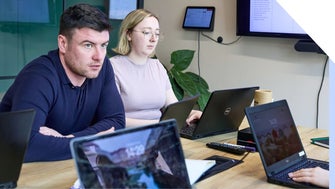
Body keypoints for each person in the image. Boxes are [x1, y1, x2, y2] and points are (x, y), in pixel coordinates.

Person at [0, 4, 125, 162]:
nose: (98, 56)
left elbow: (117, 122)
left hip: (66, 165)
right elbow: (25, 145)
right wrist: (90, 142)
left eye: (103, 45)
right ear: (63, 44)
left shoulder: (102, 67)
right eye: (88, 45)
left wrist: (70, 140)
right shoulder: (38, 76)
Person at [109, 9, 201, 127]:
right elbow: (113, 120)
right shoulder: (113, 67)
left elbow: (173, 108)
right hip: (130, 136)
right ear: (129, 34)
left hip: (162, 132)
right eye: (146, 32)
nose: (153, 39)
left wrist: (195, 113)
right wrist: (160, 124)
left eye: (157, 34)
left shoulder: (157, 66)